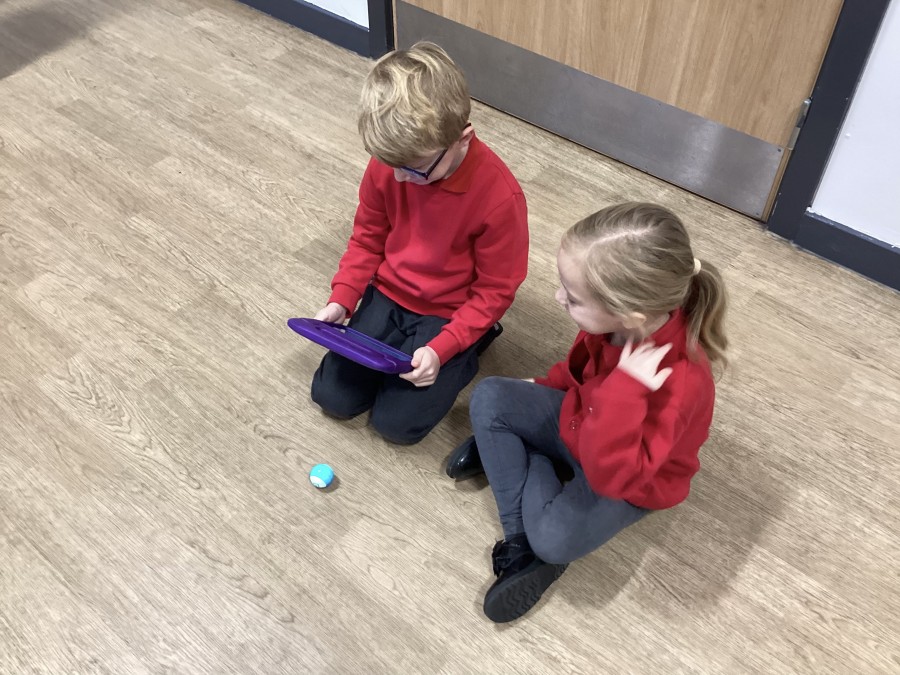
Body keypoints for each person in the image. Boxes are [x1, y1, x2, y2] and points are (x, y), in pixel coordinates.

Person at [445, 202, 728, 622]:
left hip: (624, 478)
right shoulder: (616, 325)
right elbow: (576, 372)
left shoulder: (681, 381)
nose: (558, 297)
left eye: (573, 297)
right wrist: (541, 389)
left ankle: (519, 488)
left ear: (628, 313)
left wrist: (623, 394)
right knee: (490, 396)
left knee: (554, 541)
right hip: (580, 422)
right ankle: (521, 522)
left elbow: (614, 477)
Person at [310, 42, 529, 445]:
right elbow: (366, 240)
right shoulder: (395, 163)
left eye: (415, 169)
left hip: (448, 312)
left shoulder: (500, 198)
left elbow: (495, 290)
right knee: (332, 397)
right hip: (387, 294)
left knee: (397, 426)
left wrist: (445, 347)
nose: (399, 179)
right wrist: (342, 299)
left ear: (463, 138)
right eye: (392, 165)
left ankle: (472, 346)